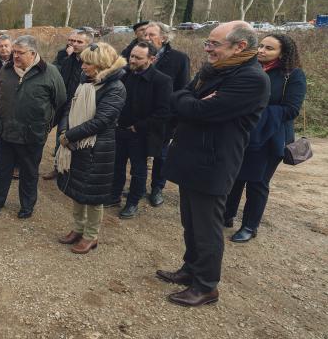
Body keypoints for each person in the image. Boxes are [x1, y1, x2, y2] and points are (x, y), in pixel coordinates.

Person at [156, 21, 269, 308]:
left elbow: (198, 109)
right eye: (207, 42)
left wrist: (189, 100)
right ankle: (190, 269)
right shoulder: (215, 69)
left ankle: (206, 286)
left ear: (239, 46)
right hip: (192, 157)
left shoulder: (251, 79)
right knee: (190, 223)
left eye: (214, 44)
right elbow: (183, 98)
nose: (207, 48)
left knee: (207, 228)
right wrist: (188, 99)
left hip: (213, 163)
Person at [223, 33, 306, 242]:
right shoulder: (248, 69)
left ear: (283, 53)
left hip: (270, 137)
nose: (261, 50)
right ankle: (227, 215)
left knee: (257, 183)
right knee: (234, 177)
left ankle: (250, 226)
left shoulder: (292, 75)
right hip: (242, 133)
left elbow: (291, 109)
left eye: (269, 48)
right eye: (260, 46)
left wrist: (256, 112)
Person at [55, 42, 126, 254]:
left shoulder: (115, 88)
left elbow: (101, 121)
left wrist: (69, 136)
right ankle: (78, 228)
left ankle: (91, 235)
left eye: (88, 62)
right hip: (78, 144)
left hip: (97, 148)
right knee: (77, 190)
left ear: (100, 64)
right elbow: (71, 106)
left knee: (93, 196)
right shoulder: (85, 81)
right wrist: (64, 130)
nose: (83, 66)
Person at [0, 35, 66, 218]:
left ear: (33, 53)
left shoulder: (50, 73)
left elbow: (61, 102)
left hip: (32, 135)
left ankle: (27, 206)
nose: (14, 56)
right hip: (5, 132)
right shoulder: (6, 70)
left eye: (19, 53)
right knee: (3, 170)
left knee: (29, 173)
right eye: (14, 52)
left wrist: (45, 125)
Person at [108, 41, 172, 218]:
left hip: (141, 135)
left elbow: (163, 112)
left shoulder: (162, 81)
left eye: (138, 57)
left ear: (152, 59)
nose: (132, 60)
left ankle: (132, 202)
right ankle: (114, 196)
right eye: (132, 56)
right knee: (117, 165)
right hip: (119, 130)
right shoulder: (124, 74)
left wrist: (138, 127)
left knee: (138, 170)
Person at [143, 21, 191, 206]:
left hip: (165, 117)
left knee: (161, 155)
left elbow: (183, 88)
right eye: (145, 35)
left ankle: (157, 188)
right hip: (142, 114)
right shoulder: (137, 54)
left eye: (151, 35)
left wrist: (176, 116)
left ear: (163, 38)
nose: (146, 38)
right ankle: (137, 187)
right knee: (138, 152)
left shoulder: (179, 58)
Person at [42, 30, 93, 180]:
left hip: (82, 106)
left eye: (79, 42)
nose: (74, 44)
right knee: (61, 136)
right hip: (64, 104)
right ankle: (58, 168)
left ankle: (75, 172)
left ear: (89, 44)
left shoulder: (92, 61)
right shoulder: (67, 57)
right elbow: (56, 74)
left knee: (79, 140)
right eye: (72, 41)